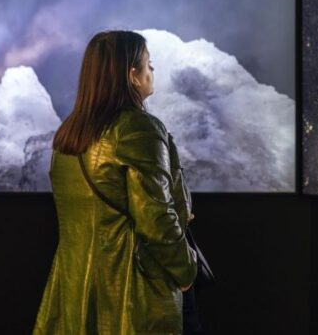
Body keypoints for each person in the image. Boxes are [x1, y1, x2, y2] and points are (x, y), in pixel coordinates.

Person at [34, 30, 198, 335]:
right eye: (148, 64)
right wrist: (185, 270)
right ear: (131, 75)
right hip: (132, 291)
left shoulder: (69, 134)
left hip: (74, 286)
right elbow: (156, 218)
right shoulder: (138, 128)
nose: (152, 71)